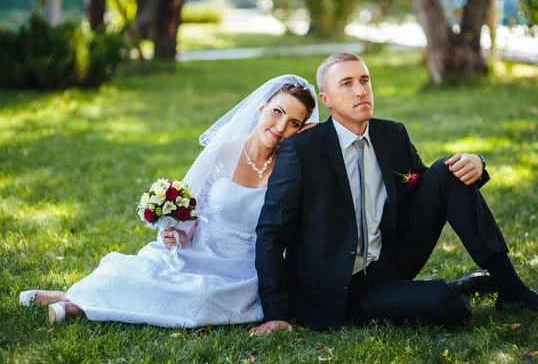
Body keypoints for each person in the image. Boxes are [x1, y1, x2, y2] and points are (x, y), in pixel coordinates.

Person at [251, 52, 538, 335]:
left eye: (364, 80)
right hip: (343, 287)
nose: (360, 90)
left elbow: (430, 185)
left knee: (446, 169)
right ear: (326, 100)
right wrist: (276, 313)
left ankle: (513, 291)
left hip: (389, 260)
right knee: (449, 306)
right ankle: (459, 287)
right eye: (347, 84)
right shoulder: (302, 151)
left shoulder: (391, 134)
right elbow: (271, 233)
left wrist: (476, 163)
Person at [19, 74, 319, 327]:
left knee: (202, 295)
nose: (281, 127)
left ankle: (75, 305)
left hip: (242, 269)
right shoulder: (223, 151)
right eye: (277, 112)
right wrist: (177, 232)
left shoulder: (291, 168)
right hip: (197, 250)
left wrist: (310, 144)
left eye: (294, 123)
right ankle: (71, 298)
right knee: (145, 271)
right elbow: (187, 205)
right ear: (261, 107)